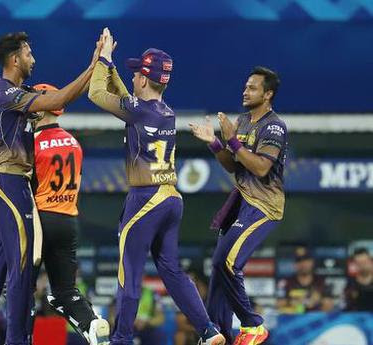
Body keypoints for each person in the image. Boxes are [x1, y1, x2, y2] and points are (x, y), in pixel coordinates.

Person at [88, 28, 224, 345]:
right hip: (170, 198)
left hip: (145, 198)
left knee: (130, 272)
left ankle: (122, 339)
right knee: (172, 271)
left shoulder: (138, 111)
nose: (134, 77)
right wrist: (111, 69)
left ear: (146, 79)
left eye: (137, 73)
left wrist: (105, 58)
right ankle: (208, 330)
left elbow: (96, 94)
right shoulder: (166, 112)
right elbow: (127, 100)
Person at [0, 32, 102, 345]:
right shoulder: (6, 93)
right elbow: (58, 100)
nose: (33, 59)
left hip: (5, 180)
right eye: (28, 53)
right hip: (9, 180)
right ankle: (18, 339)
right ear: (14, 59)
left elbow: (56, 102)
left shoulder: (13, 92)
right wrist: (94, 67)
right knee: (23, 263)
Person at [189, 66, 287, 345]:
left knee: (229, 262)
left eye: (253, 87)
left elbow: (259, 168)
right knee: (218, 267)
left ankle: (253, 325)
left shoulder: (274, 126)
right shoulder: (243, 121)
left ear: (268, 94)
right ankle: (218, 333)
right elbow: (235, 165)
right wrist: (215, 143)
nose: (245, 91)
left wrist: (231, 138)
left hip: (264, 205)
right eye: (245, 86)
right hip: (241, 200)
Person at [31, 82, 109, 344]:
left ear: (43, 107)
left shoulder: (32, 143)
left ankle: (19, 338)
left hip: (40, 221)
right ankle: (92, 323)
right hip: (68, 220)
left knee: (22, 289)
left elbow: (25, 190)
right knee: (66, 290)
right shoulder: (74, 143)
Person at [276, 248, 334, 313]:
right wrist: (294, 301)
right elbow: (279, 305)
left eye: (306, 260)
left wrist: (318, 300)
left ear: (312, 262)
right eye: (299, 261)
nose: (303, 264)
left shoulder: (322, 281)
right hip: (293, 320)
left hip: (316, 320)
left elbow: (329, 307)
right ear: (295, 264)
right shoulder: (285, 282)